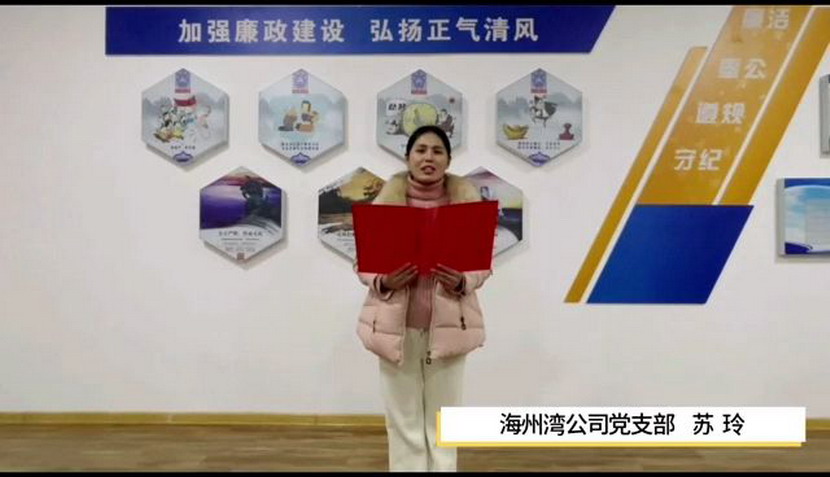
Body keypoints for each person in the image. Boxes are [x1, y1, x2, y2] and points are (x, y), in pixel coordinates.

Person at [355, 125, 493, 472]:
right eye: (420, 150)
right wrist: (384, 281)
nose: (428, 157)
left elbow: (482, 265)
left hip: (449, 326)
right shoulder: (385, 204)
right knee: (403, 420)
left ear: (448, 159)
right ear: (407, 157)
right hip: (395, 327)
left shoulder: (467, 206)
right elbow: (363, 263)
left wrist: (463, 281)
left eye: (437, 150)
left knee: (444, 421)